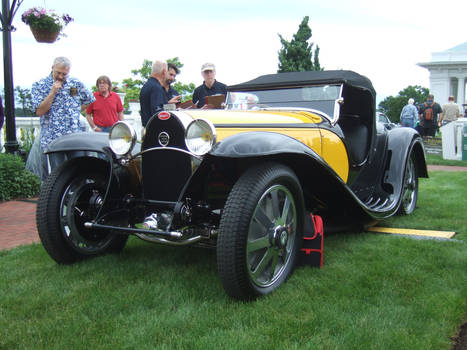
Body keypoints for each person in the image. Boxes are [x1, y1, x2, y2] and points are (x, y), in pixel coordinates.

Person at [31, 56, 95, 180]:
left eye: (64, 74)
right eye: (58, 73)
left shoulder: (74, 84)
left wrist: (75, 109)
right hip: (53, 139)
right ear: (52, 68)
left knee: (79, 173)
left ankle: (78, 198)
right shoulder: (40, 85)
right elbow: (39, 111)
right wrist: (52, 92)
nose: (60, 77)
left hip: (74, 136)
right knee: (58, 177)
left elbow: (89, 99)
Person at [139, 60, 169, 127]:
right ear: (164, 71)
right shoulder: (156, 88)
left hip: (147, 127)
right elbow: (158, 113)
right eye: (167, 71)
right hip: (155, 130)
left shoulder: (146, 86)